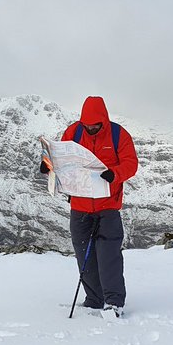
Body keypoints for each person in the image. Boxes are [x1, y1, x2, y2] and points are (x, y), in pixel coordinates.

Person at [39, 96, 139, 316]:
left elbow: (131, 163)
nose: (91, 128)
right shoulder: (73, 132)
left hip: (108, 206)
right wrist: (47, 166)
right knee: (84, 253)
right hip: (80, 205)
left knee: (108, 255)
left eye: (95, 125)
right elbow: (57, 157)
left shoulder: (118, 134)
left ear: (103, 120)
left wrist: (115, 174)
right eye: (87, 125)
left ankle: (113, 302)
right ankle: (94, 299)